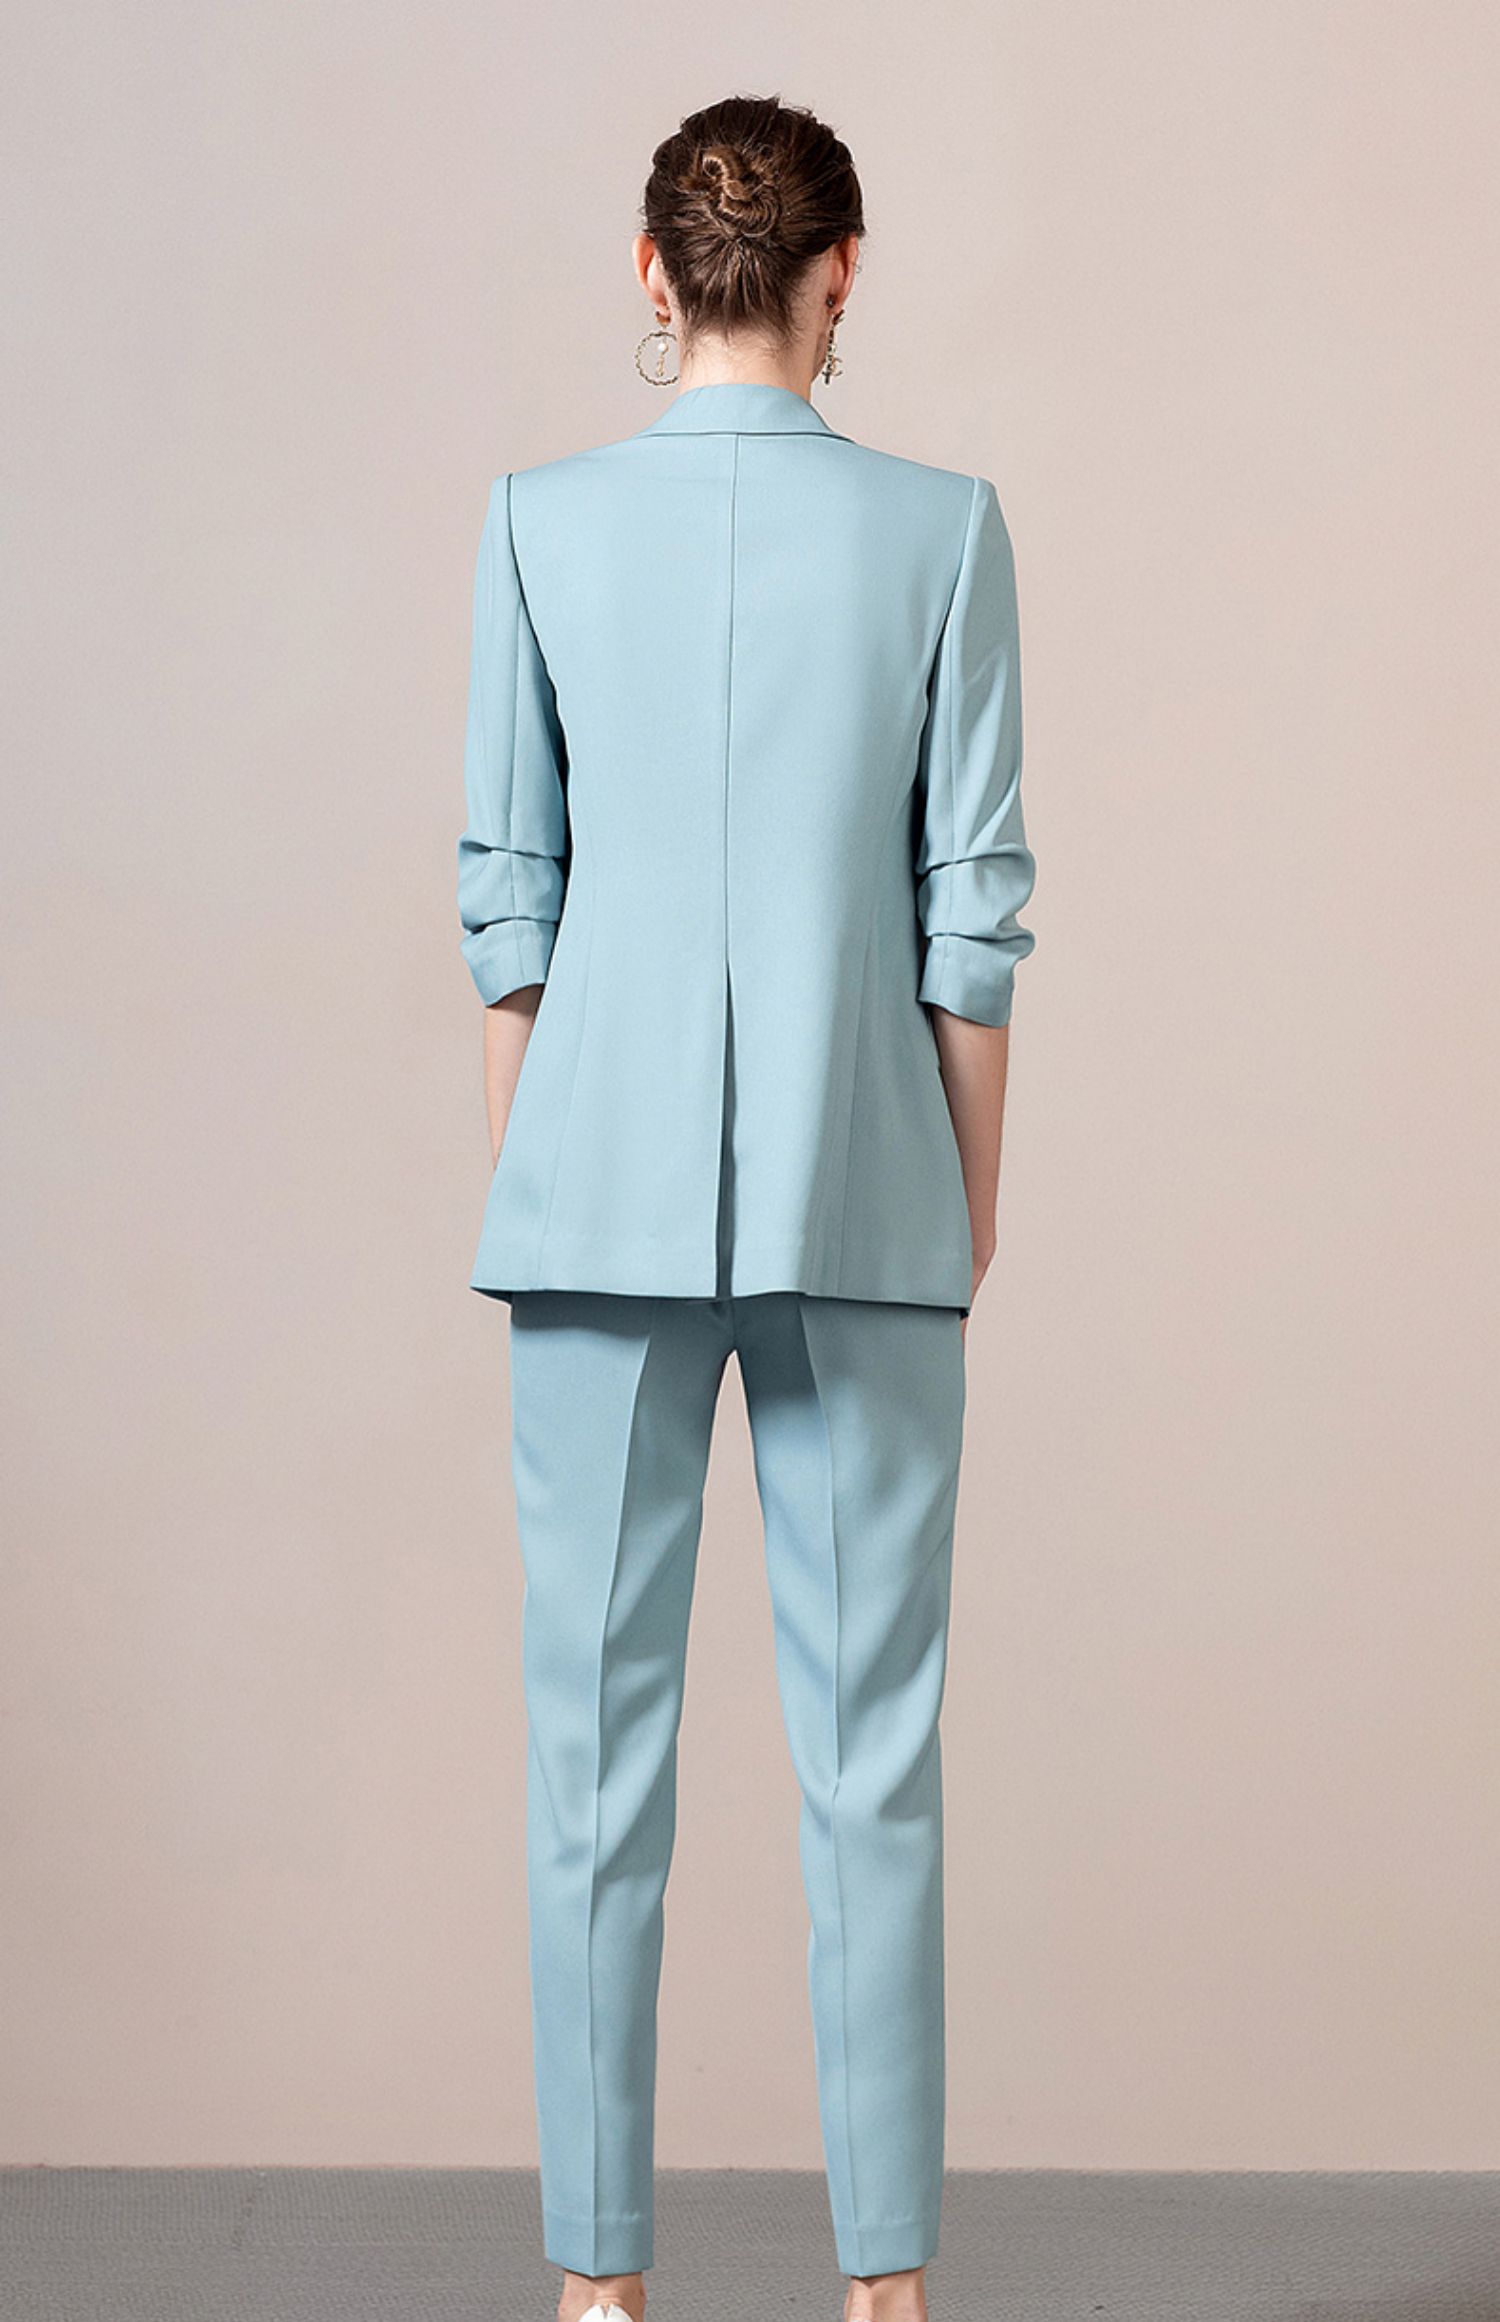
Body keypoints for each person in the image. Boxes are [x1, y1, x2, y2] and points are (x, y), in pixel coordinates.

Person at [456, 91, 1037, 2322]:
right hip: (868, 1192)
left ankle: (597, 2295)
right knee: (874, 1763)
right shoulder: (947, 532)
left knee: (589, 1769)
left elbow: (511, 906)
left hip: (583, 1199)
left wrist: (539, 1163)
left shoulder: (534, 525)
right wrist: (966, 1203)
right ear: (840, 272)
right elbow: (970, 918)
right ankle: (886, 2295)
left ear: (650, 271)